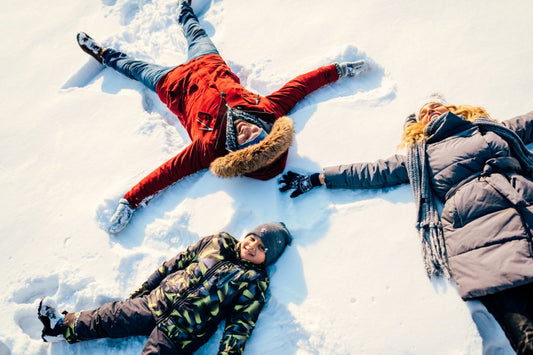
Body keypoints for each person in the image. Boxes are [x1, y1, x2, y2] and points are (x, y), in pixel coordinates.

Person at [76, 0, 369, 234]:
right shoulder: (268, 111)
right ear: (266, 130)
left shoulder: (209, 149)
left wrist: (131, 201)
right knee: (196, 33)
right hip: (210, 63)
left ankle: (104, 55)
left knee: (136, 69)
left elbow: (167, 173)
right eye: (255, 132)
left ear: (237, 151)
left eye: (243, 139)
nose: (246, 130)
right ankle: (184, 11)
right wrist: (338, 71)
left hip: (174, 85)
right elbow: (301, 85)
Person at [279, 94, 533, 354]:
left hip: (522, 202)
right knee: (525, 333)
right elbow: (374, 171)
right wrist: (319, 178)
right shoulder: (420, 157)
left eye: (435, 105)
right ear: (418, 126)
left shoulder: (488, 129)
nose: (429, 110)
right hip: (475, 235)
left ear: (453, 109)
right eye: (423, 112)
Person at [37, 222, 292, 354]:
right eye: (252, 238)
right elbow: (177, 262)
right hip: (155, 302)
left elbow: (240, 326)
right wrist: (145, 289)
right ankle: (60, 326)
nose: (251, 247)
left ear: (266, 259)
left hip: (182, 333)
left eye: (261, 249)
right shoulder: (219, 241)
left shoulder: (253, 282)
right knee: (110, 316)